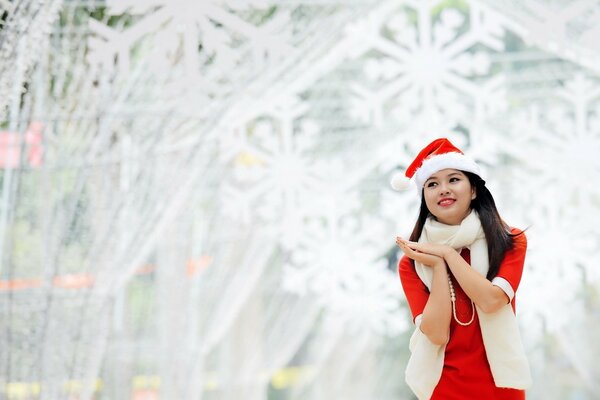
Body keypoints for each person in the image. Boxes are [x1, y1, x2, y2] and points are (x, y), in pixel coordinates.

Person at [391, 138, 532, 400]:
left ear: (474, 189)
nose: (443, 189)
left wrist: (446, 254)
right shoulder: (412, 262)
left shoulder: (509, 240)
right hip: (444, 387)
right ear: (424, 197)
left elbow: (492, 301)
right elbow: (436, 333)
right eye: (432, 184)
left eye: (454, 179)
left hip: (501, 385)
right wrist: (436, 265)